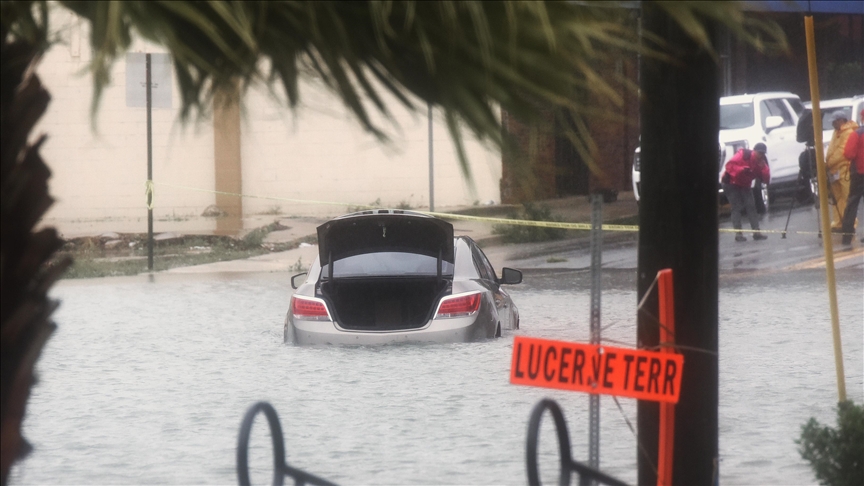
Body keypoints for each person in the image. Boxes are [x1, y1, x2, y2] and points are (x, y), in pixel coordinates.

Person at [721, 143, 770, 241]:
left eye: (763, 153)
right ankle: (738, 234)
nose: (760, 155)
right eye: (759, 153)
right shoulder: (743, 154)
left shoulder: (761, 163)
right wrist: (742, 169)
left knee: (751, 206)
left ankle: (757, 233)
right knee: (737, 207)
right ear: (754, 151)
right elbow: (729, 166)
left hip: (744, 184)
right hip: (731, 182)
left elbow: (766, 179)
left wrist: (763, 168)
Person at [825, 111, 859, 232]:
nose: (833, 124)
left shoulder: (848, 132)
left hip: (845, 170)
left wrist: (828, 163)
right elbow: (832, 149)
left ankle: (851, 223)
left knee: (847, 197)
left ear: (841, 120)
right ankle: (839, 222)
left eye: (835, 121)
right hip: (835, 170)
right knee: (837, 198)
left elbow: (842, 152)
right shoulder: (836, 132)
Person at [840, 109, 864, 245]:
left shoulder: (857, 134)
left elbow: (848, 153)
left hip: (859, 174)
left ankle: (847, 236)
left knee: (852, 205)